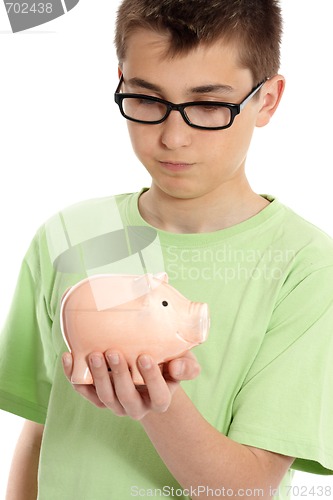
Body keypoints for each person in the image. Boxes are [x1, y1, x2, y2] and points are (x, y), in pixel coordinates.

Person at [1, 0, 333, 498]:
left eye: (208, 106)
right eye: (148, 100)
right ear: (121, 82)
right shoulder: (68, 234)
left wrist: (159, 407)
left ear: (267, 99)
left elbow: (248, 489)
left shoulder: (306, 266)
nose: (173, 137)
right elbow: (41, 429)